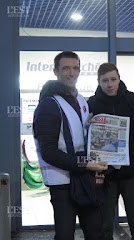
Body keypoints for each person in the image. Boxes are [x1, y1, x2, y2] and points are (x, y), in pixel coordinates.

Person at [33, 51, 108, 240]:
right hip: (62, 183)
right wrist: (86, 163)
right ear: (55, 71)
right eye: (66, 68)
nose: (71, 73)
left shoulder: (81, 100)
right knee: (65, 235)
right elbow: (48, 151)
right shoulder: (48, 104)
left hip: (84, 178)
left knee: (95, 232)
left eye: (75, 68)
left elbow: (79, 138)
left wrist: (92, 130)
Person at [87, 62, 134, 240]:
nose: (109, 84)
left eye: (113, 79)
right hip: (104, 174)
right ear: (99, 82)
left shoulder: (133, 100)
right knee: (104, 225)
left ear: (119, 78)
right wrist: (87, 127)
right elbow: (84, 137)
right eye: (105, 81)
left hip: (131, 171)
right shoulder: (91, 104)